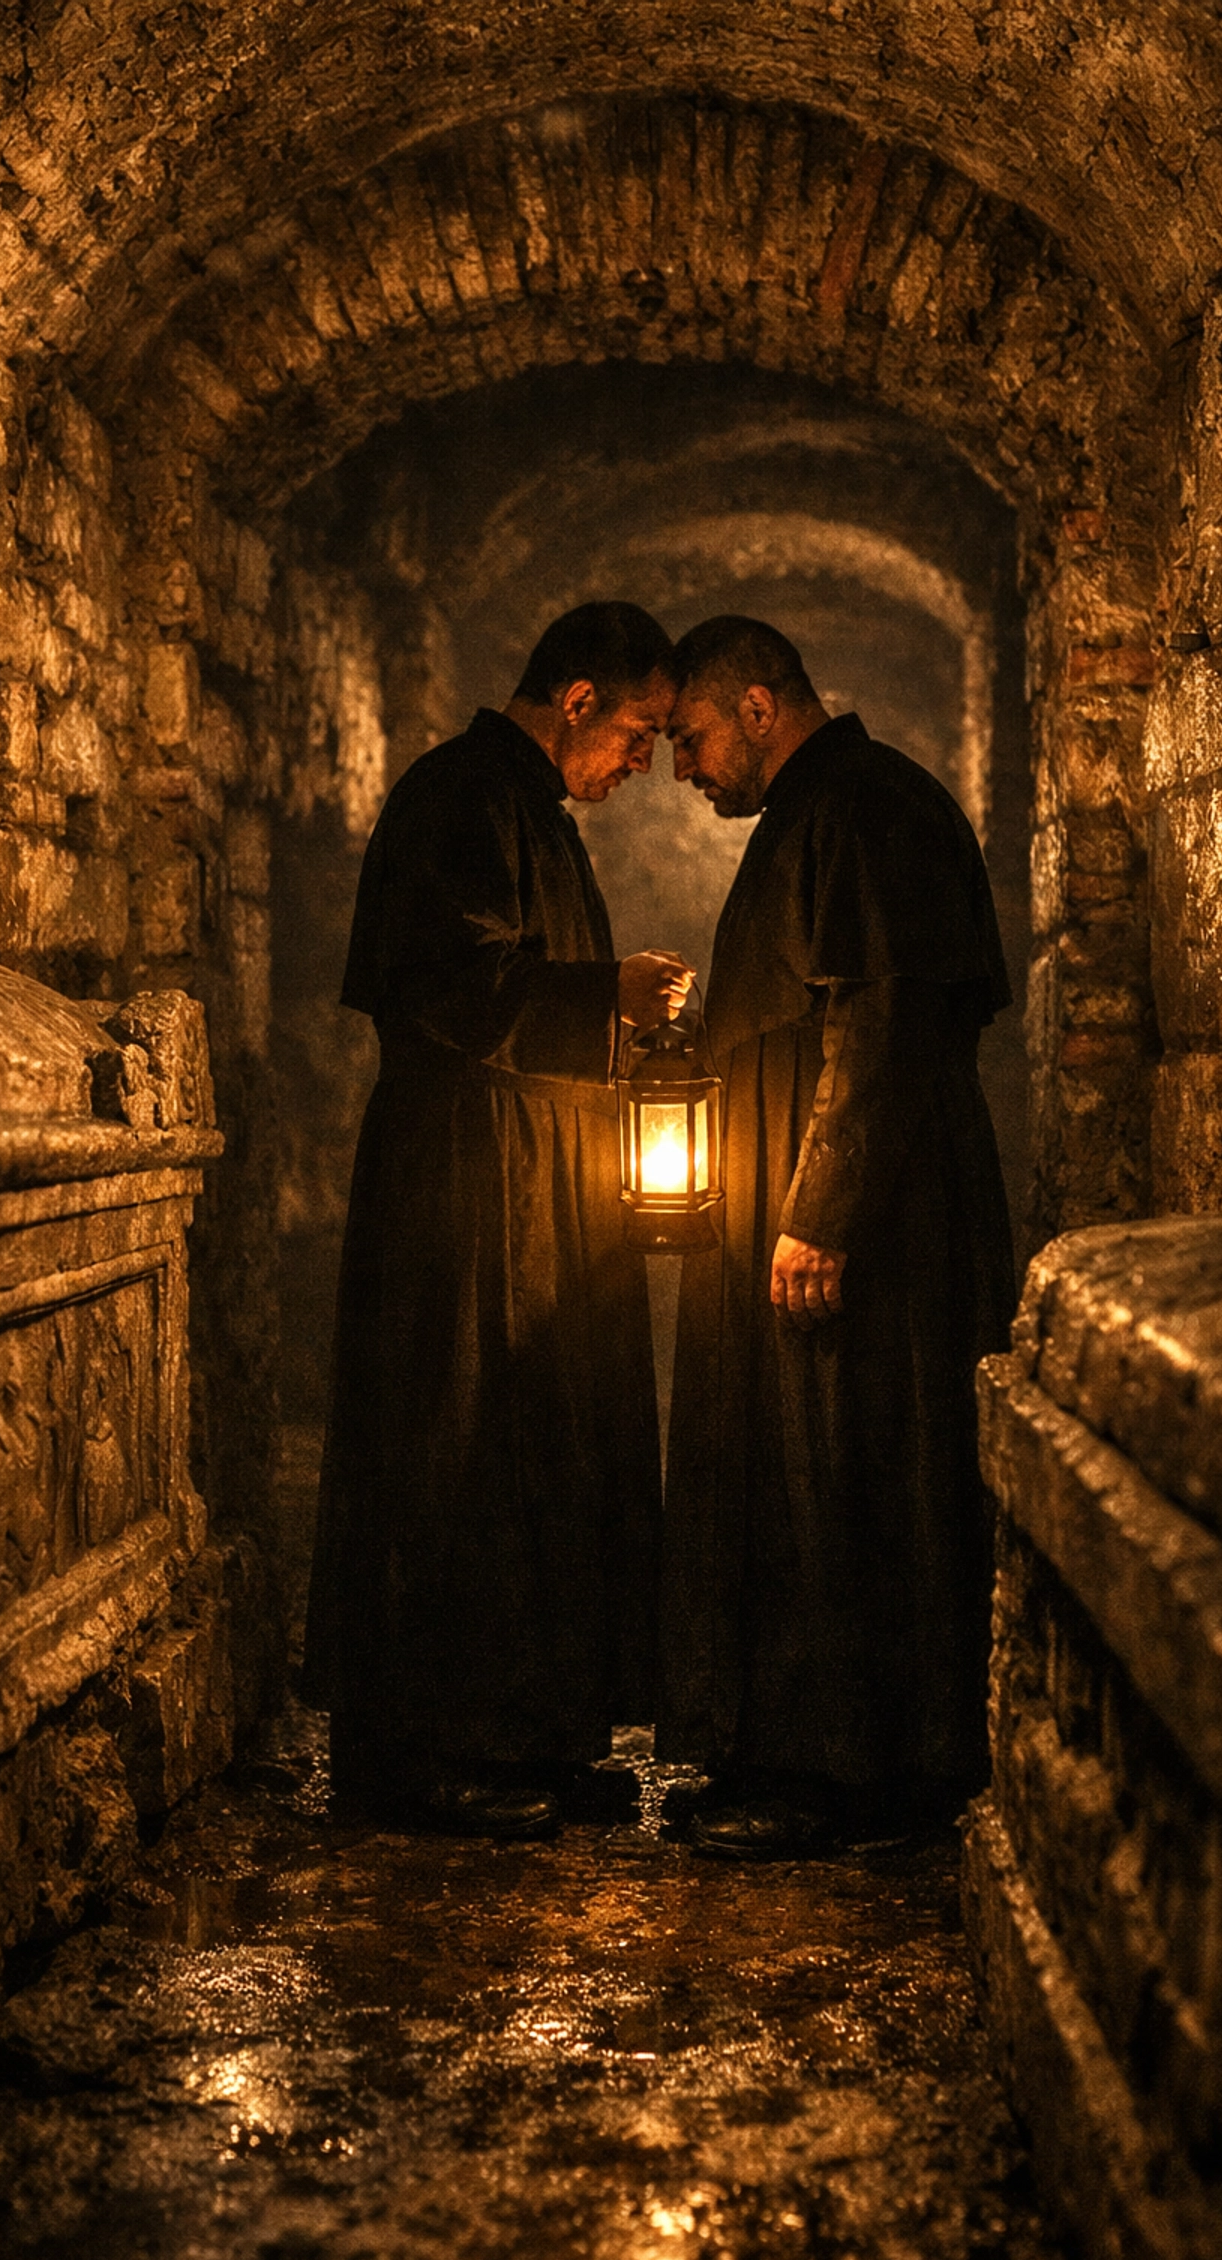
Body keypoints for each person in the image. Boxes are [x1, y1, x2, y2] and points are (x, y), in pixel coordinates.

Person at [303, 602, 694, 1838]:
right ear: (576, 700)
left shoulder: (532, 812)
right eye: (638, 731)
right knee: (454, 1442)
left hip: (537, 1178)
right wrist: (605, 994)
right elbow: (447, 985)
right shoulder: (456, 798)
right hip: (463, 1183)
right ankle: (430, 1748)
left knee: (543, 1444)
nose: (645, 762)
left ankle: (535, 1730)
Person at [659, 616, 1014, 1857]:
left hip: (871, 1222)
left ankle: (844, 1773)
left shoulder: (863, 808)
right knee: (809, 1466)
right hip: (826, 1198)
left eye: (692, 737)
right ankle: (796, 1754)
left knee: (847, 1470)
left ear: (759, 707)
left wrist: (820, 1211)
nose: (682, 768)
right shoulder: (830, 810)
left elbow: (880, 1015)